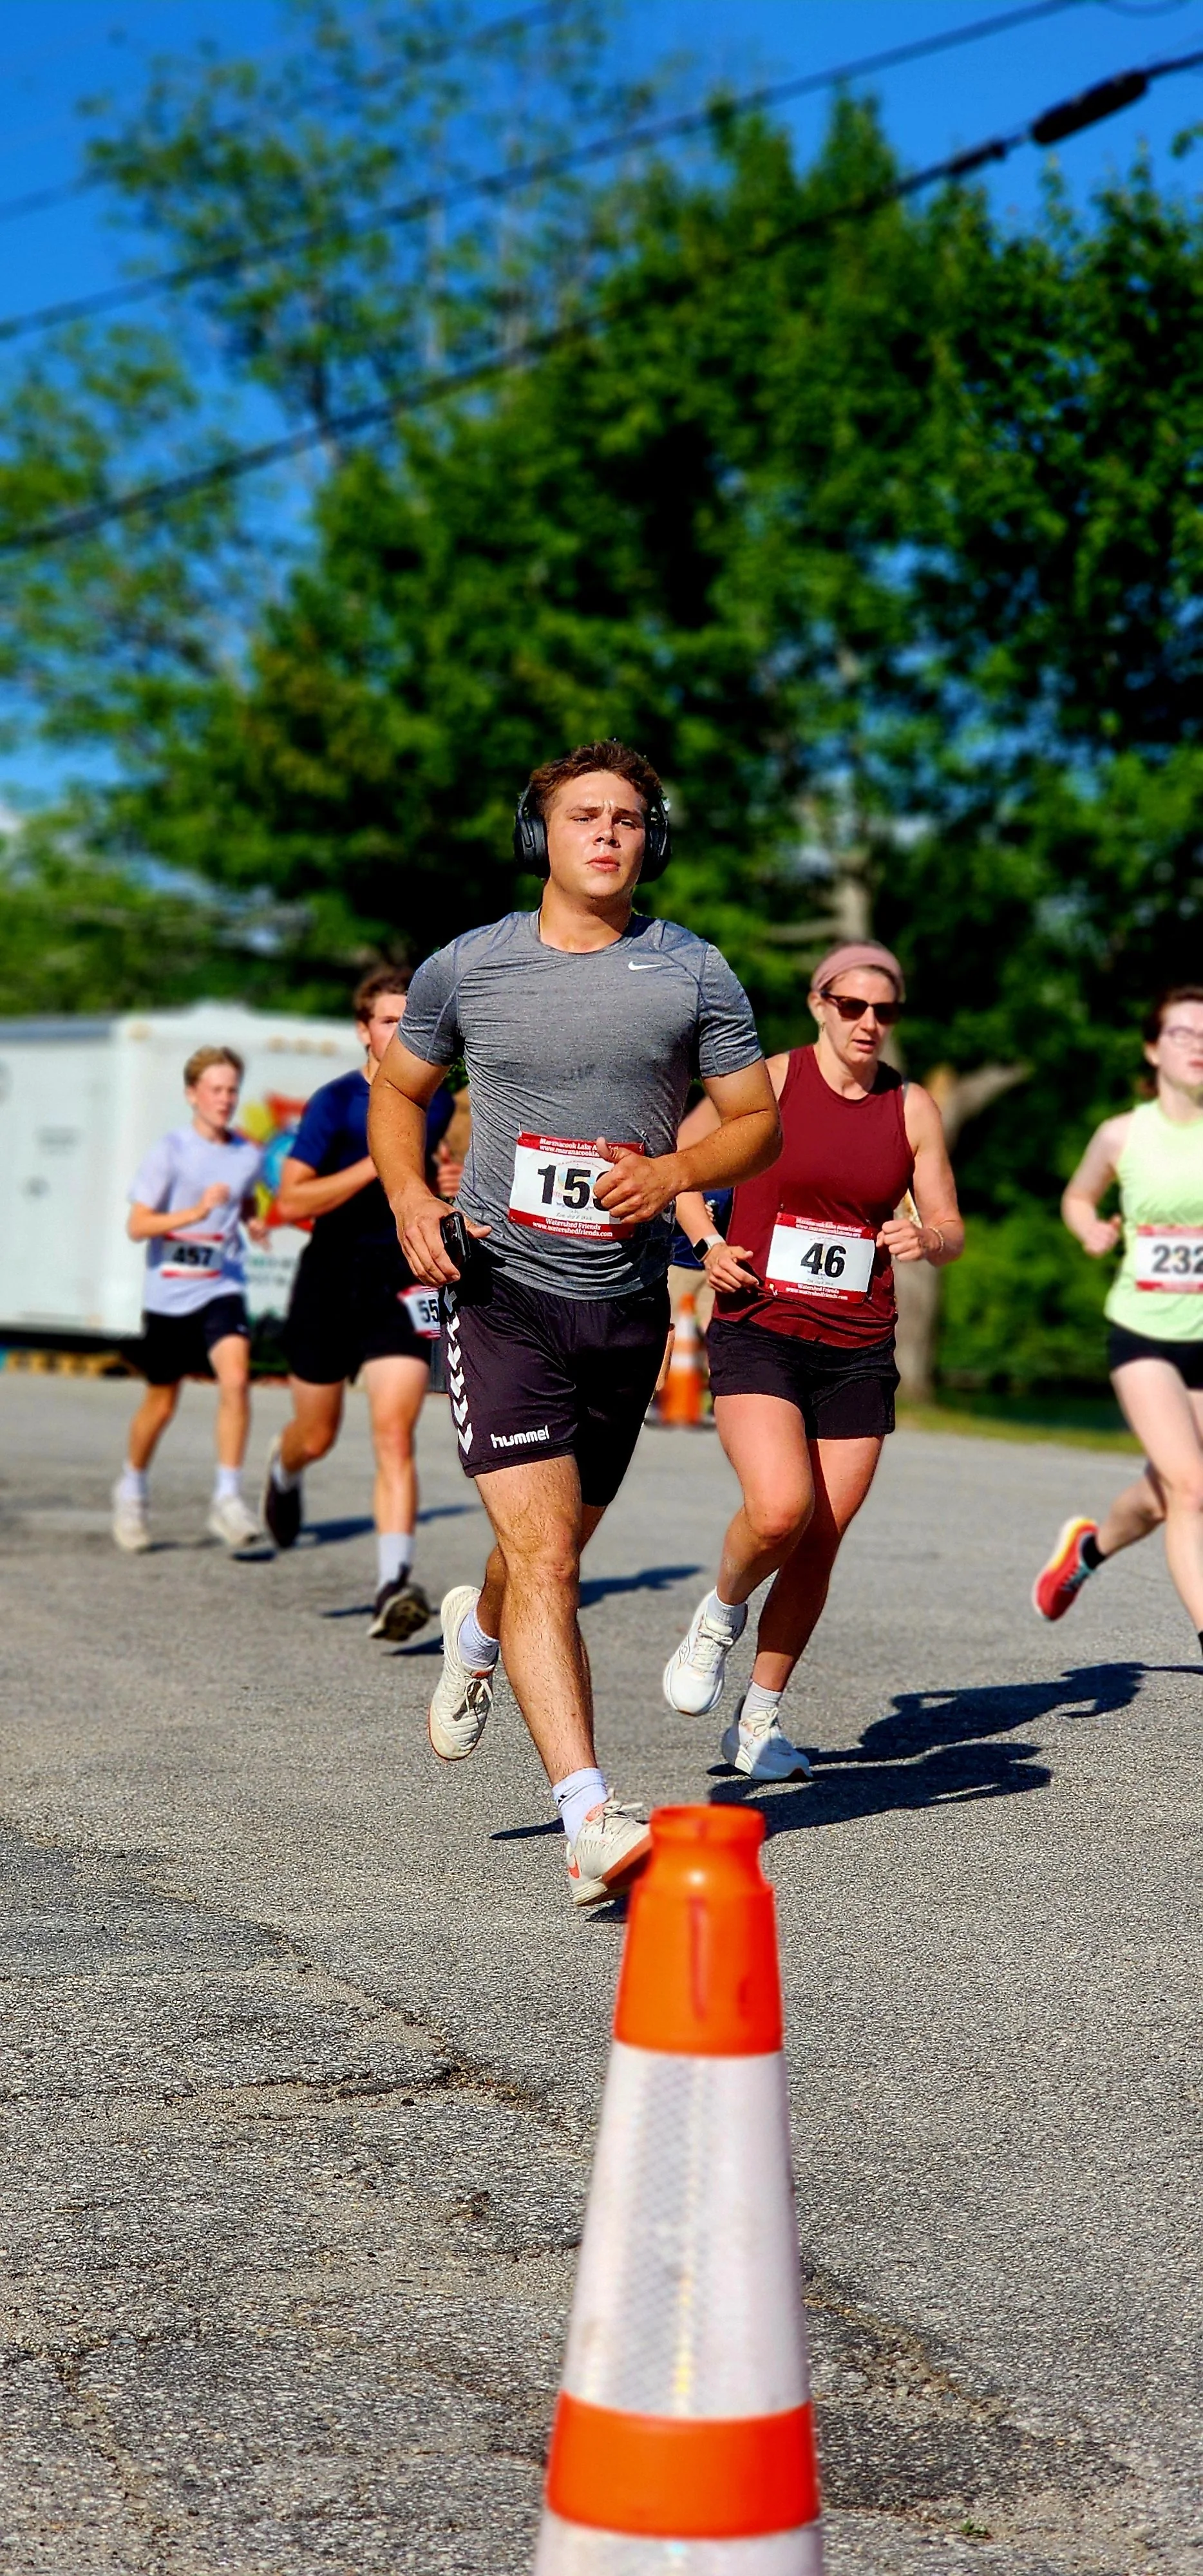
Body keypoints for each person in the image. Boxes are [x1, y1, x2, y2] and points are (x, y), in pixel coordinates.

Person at [368, 737, 781, 1907]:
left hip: (622, 1305)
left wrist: (672, 1170)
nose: (607, 833)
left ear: (653, 840)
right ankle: (589, 1817)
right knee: (547, 1553)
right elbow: (400, 1092)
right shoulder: (469, 968)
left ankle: (477, 1637)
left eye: (630, 819)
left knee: (548, 1549)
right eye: (583, 815)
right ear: (537, 834)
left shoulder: (692, 969)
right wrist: (411, 1195)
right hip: (497, 1292)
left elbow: (755, 1123)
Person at [664, 942, 963, 1777]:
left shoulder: (912, 1108)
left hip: (859, 1343)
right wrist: (707, 1240)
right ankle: (718, 1617)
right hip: (760, 1322)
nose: (870, 1024)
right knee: (777, 1511)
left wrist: (925, 1235)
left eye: (887, 1011)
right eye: (854, 1007)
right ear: (819, 1005)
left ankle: (758, 1720)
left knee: (821, 1538)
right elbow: (682, 1168)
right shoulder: (769, 1082)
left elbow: (950, 1225)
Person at [260, 968, 454, 1640]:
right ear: (363, 1030)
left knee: (394, 1432)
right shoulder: (335, 1102)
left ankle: (391, 1584)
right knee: (316, 1435)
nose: (401, 1032)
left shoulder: (441, 1103)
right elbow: (290, 1201)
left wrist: (444, 1182)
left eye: (413, 1021)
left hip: (400, 1273)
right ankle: (283, 1472)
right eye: (388, 1020)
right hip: (329, 1273)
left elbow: (444, 1181)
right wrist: (379, 1161)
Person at [1033, 985, 1203, 1649]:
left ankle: (1088, 1550)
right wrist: (1089, 1232)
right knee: (1189, 1488)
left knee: (1166, 1494)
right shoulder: (1121, 1134)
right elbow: (1077, 1197)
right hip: (1143, 1334)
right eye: (1184, 1034)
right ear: (1152, 1048)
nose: (1198, 1047)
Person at [111, 1045, 267, 1555]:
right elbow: (139, 1225)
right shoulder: (170, 1152)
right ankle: (131, 1490)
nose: (225, 1100)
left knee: (237, 1380)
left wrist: (254, 1223)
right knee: (162, 1402)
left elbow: (243, 1201)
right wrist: (195, 1213)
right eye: (216, 1090)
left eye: (232, 1091)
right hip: (170, 1291)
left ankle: (227, 1496)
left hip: (221, 1285)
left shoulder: (247, 1154)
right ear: (192, 1094)